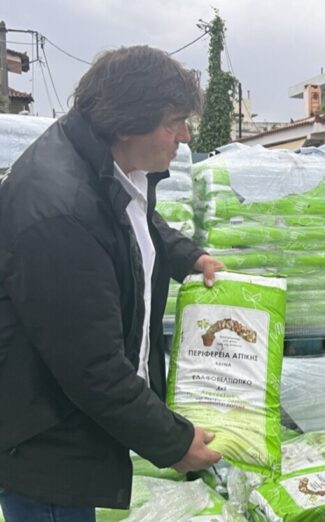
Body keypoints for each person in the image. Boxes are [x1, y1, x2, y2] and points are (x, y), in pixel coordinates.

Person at [0, 46, 224, 521]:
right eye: (174, 123)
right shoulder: (59, 213)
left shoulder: (100, 163)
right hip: (49, 446)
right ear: (126, 123)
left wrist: (187, 256)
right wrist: (174, 442)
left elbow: (131, 220)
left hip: (65, 421)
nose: (185, 137)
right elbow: (93, 368)